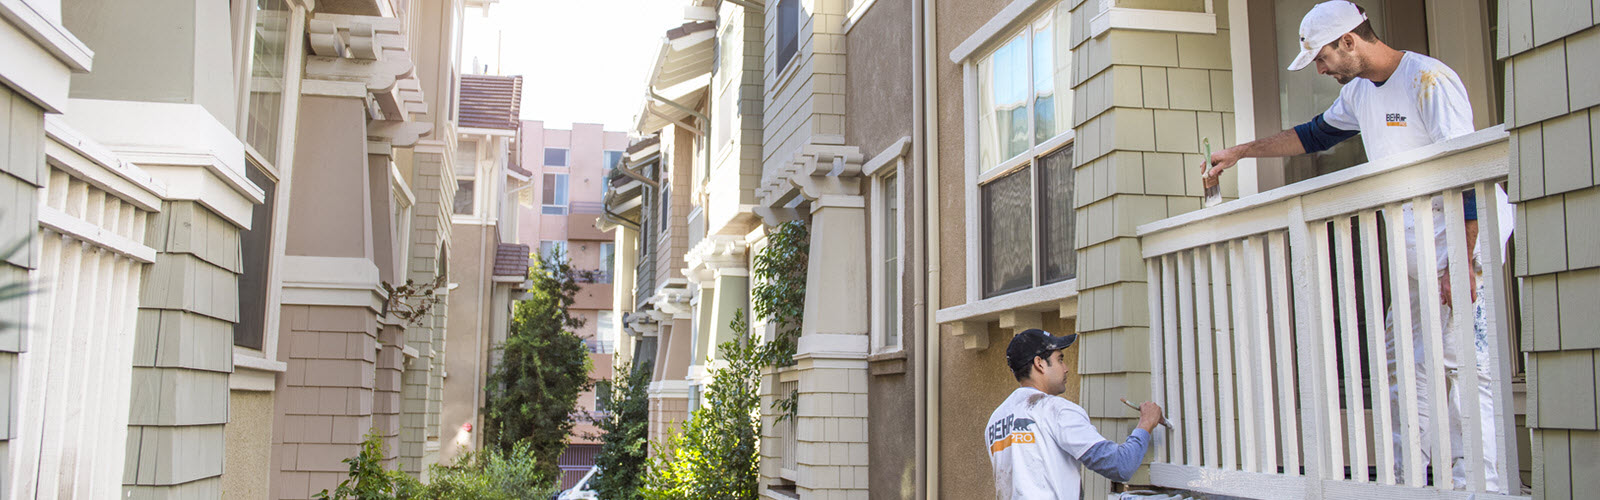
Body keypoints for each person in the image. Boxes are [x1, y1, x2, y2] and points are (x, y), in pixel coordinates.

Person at [1201, 1, 1510, 490]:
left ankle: (1483, 485)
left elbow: (1468, 171)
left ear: (1349, 40)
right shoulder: (1361, 92)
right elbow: (1314, 136)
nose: (1321, 69)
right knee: (1402, 365)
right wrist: (1241, 152)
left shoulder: (1428, 80)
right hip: (1416, 254)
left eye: (1322, 57)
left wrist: (1464, 262)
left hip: (1458, 243)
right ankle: (1412, 481)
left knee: (1464, 369)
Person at [986, 329, 1163, 499]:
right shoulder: (1056, 410)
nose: (1066, 368)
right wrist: (1146, 424)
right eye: (1060, 359)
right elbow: (1121, 465)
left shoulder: (996, 420)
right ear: (1039, 363)